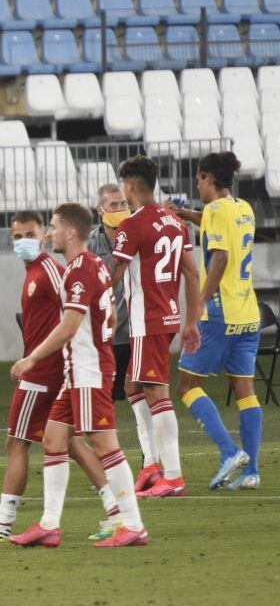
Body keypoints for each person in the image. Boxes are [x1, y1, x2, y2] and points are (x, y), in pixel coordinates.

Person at [0, 211, 123, 543]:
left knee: (17, 442)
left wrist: (35, 358)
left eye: (31, 234)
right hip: (55, 370)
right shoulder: (39, 270)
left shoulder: (52, 271)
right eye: (17, 236)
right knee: (71, 443)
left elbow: (77, 317)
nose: (23, 242)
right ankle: (117, 512)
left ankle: (2, 522)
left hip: (43, 372)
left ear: (45, 237)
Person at [9, 203, 147, 548]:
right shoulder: (94, 266)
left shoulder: (80, 271)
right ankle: (49, 525)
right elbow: (112, 315)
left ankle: (131, 524)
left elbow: (68, 326)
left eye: (53, 227)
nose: (50, 233)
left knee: (105, 446)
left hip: (89, 372)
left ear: (70, 232)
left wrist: (32, 358)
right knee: (54, 440)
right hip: (78, 372)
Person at [166, 152, 262, 491]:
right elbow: (210, 220)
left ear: (207, 179)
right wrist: (182, 213)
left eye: (198, 180)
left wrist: (200, 304)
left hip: (220, 315)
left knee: (186, 386)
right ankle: (251, 471)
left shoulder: (216, 211)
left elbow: (219, 257)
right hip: (249, 314)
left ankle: (228, 452)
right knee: (245, 392)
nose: (197, 186)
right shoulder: (243, 208)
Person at [110, 155, 200, 499]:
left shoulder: (132, 225)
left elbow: (115, 274)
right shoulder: (175, 222)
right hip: (168, 315)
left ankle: (172, 476)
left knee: (156, 393)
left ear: (130, 184)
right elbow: (190, 272)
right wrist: (191, 321)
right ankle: (151, 464)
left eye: (123, 184)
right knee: (134, 384)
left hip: (147, 319)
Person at [86, 184, 132, 402]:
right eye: (113, 205)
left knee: (142, 397)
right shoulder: (91, 245)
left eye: (123, 203)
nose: (120, 209)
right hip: (106, 337)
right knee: (104, 400)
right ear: (100, 210)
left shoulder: (139, 237)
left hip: (136, 334)